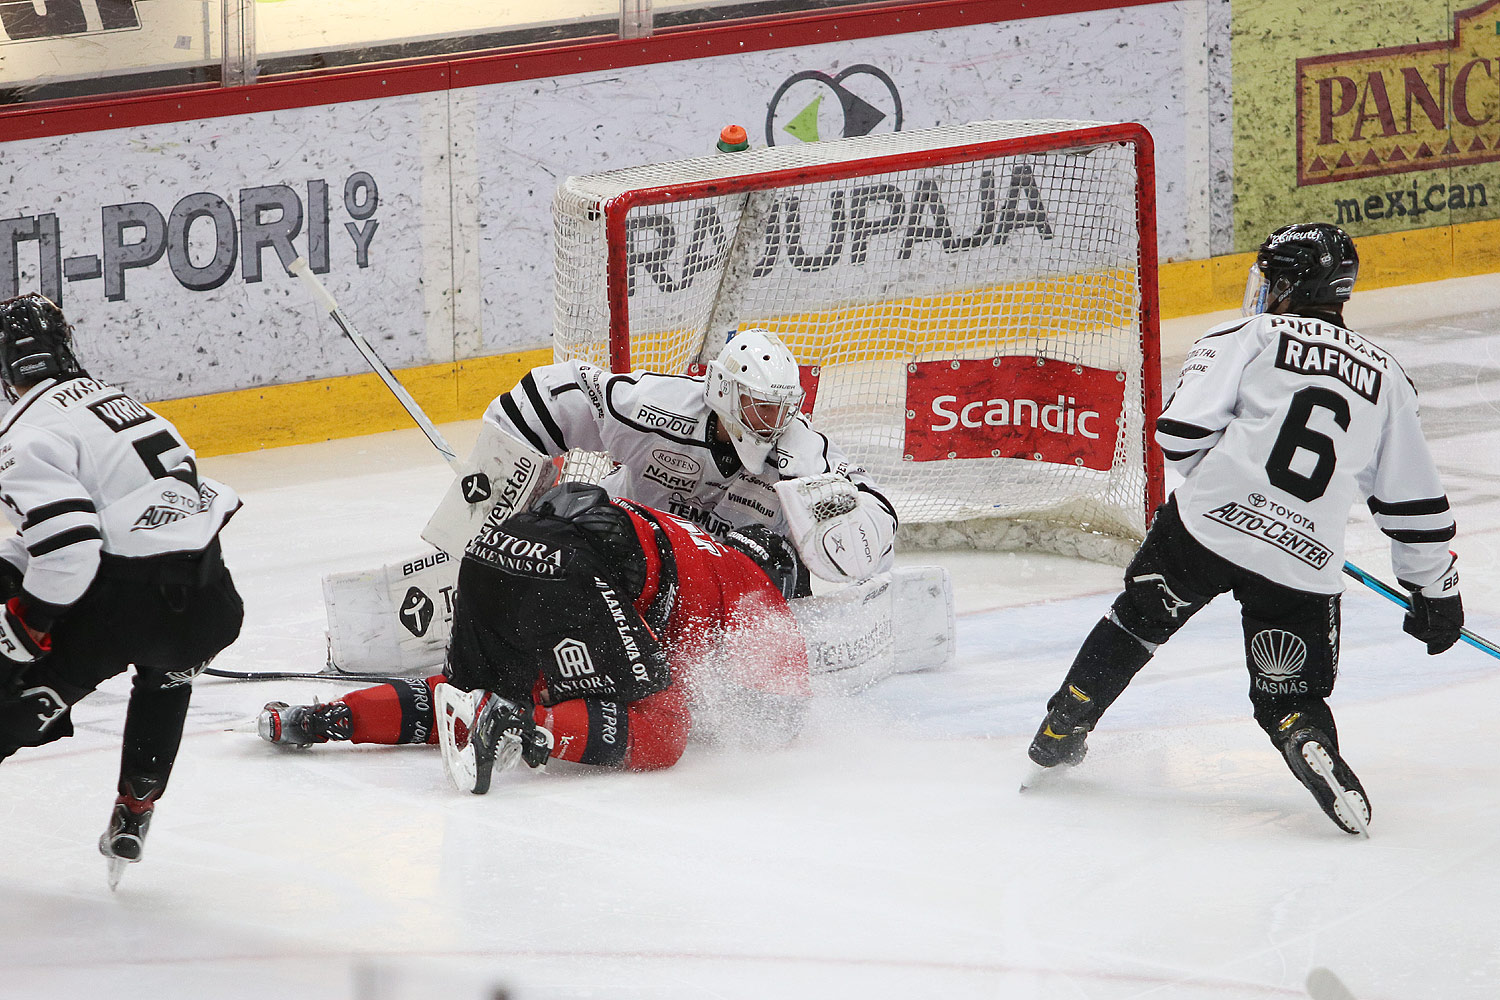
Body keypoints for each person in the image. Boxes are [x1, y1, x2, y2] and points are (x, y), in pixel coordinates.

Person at [1025, 223, 1463, 836]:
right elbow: (1411, 503)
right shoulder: (1389, 378)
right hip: (1304, 555)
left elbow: (1179, 435)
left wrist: (1239, 479)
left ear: (1284, 284)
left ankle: (1063, 725)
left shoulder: (1248, 335)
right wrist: (1436, 591)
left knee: (1137, 622)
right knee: (1286, 691)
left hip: (1204, 529)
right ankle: (1305, 733)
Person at [260, 483, 811, 793]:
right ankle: (522, 723)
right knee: (665, 733)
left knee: (465, 694)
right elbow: (782, 717)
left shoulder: (692, 541)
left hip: (494, 551)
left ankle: (322, 719)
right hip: (575, 572)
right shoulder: (756, 588)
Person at [0, 293, 244, 882]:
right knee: (168, 671)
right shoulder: (125, 405)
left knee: (17, 691)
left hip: (125, 610)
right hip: (212, 602)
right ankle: (136, 807)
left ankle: (35, 701)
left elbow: (70, 550)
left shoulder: (25, 434)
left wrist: (25, 627)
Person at [486, 328, 897, 591]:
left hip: (709, 587)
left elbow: (877, 525)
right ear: (723, 390)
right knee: (571, 510)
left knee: (774, 559)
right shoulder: (659, 407)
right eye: (762, 406)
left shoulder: (801, 454)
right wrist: (496, 486)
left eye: (783, 408)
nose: (775, 422)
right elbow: (561, 393)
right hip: (628, 553)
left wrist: (837, 509)